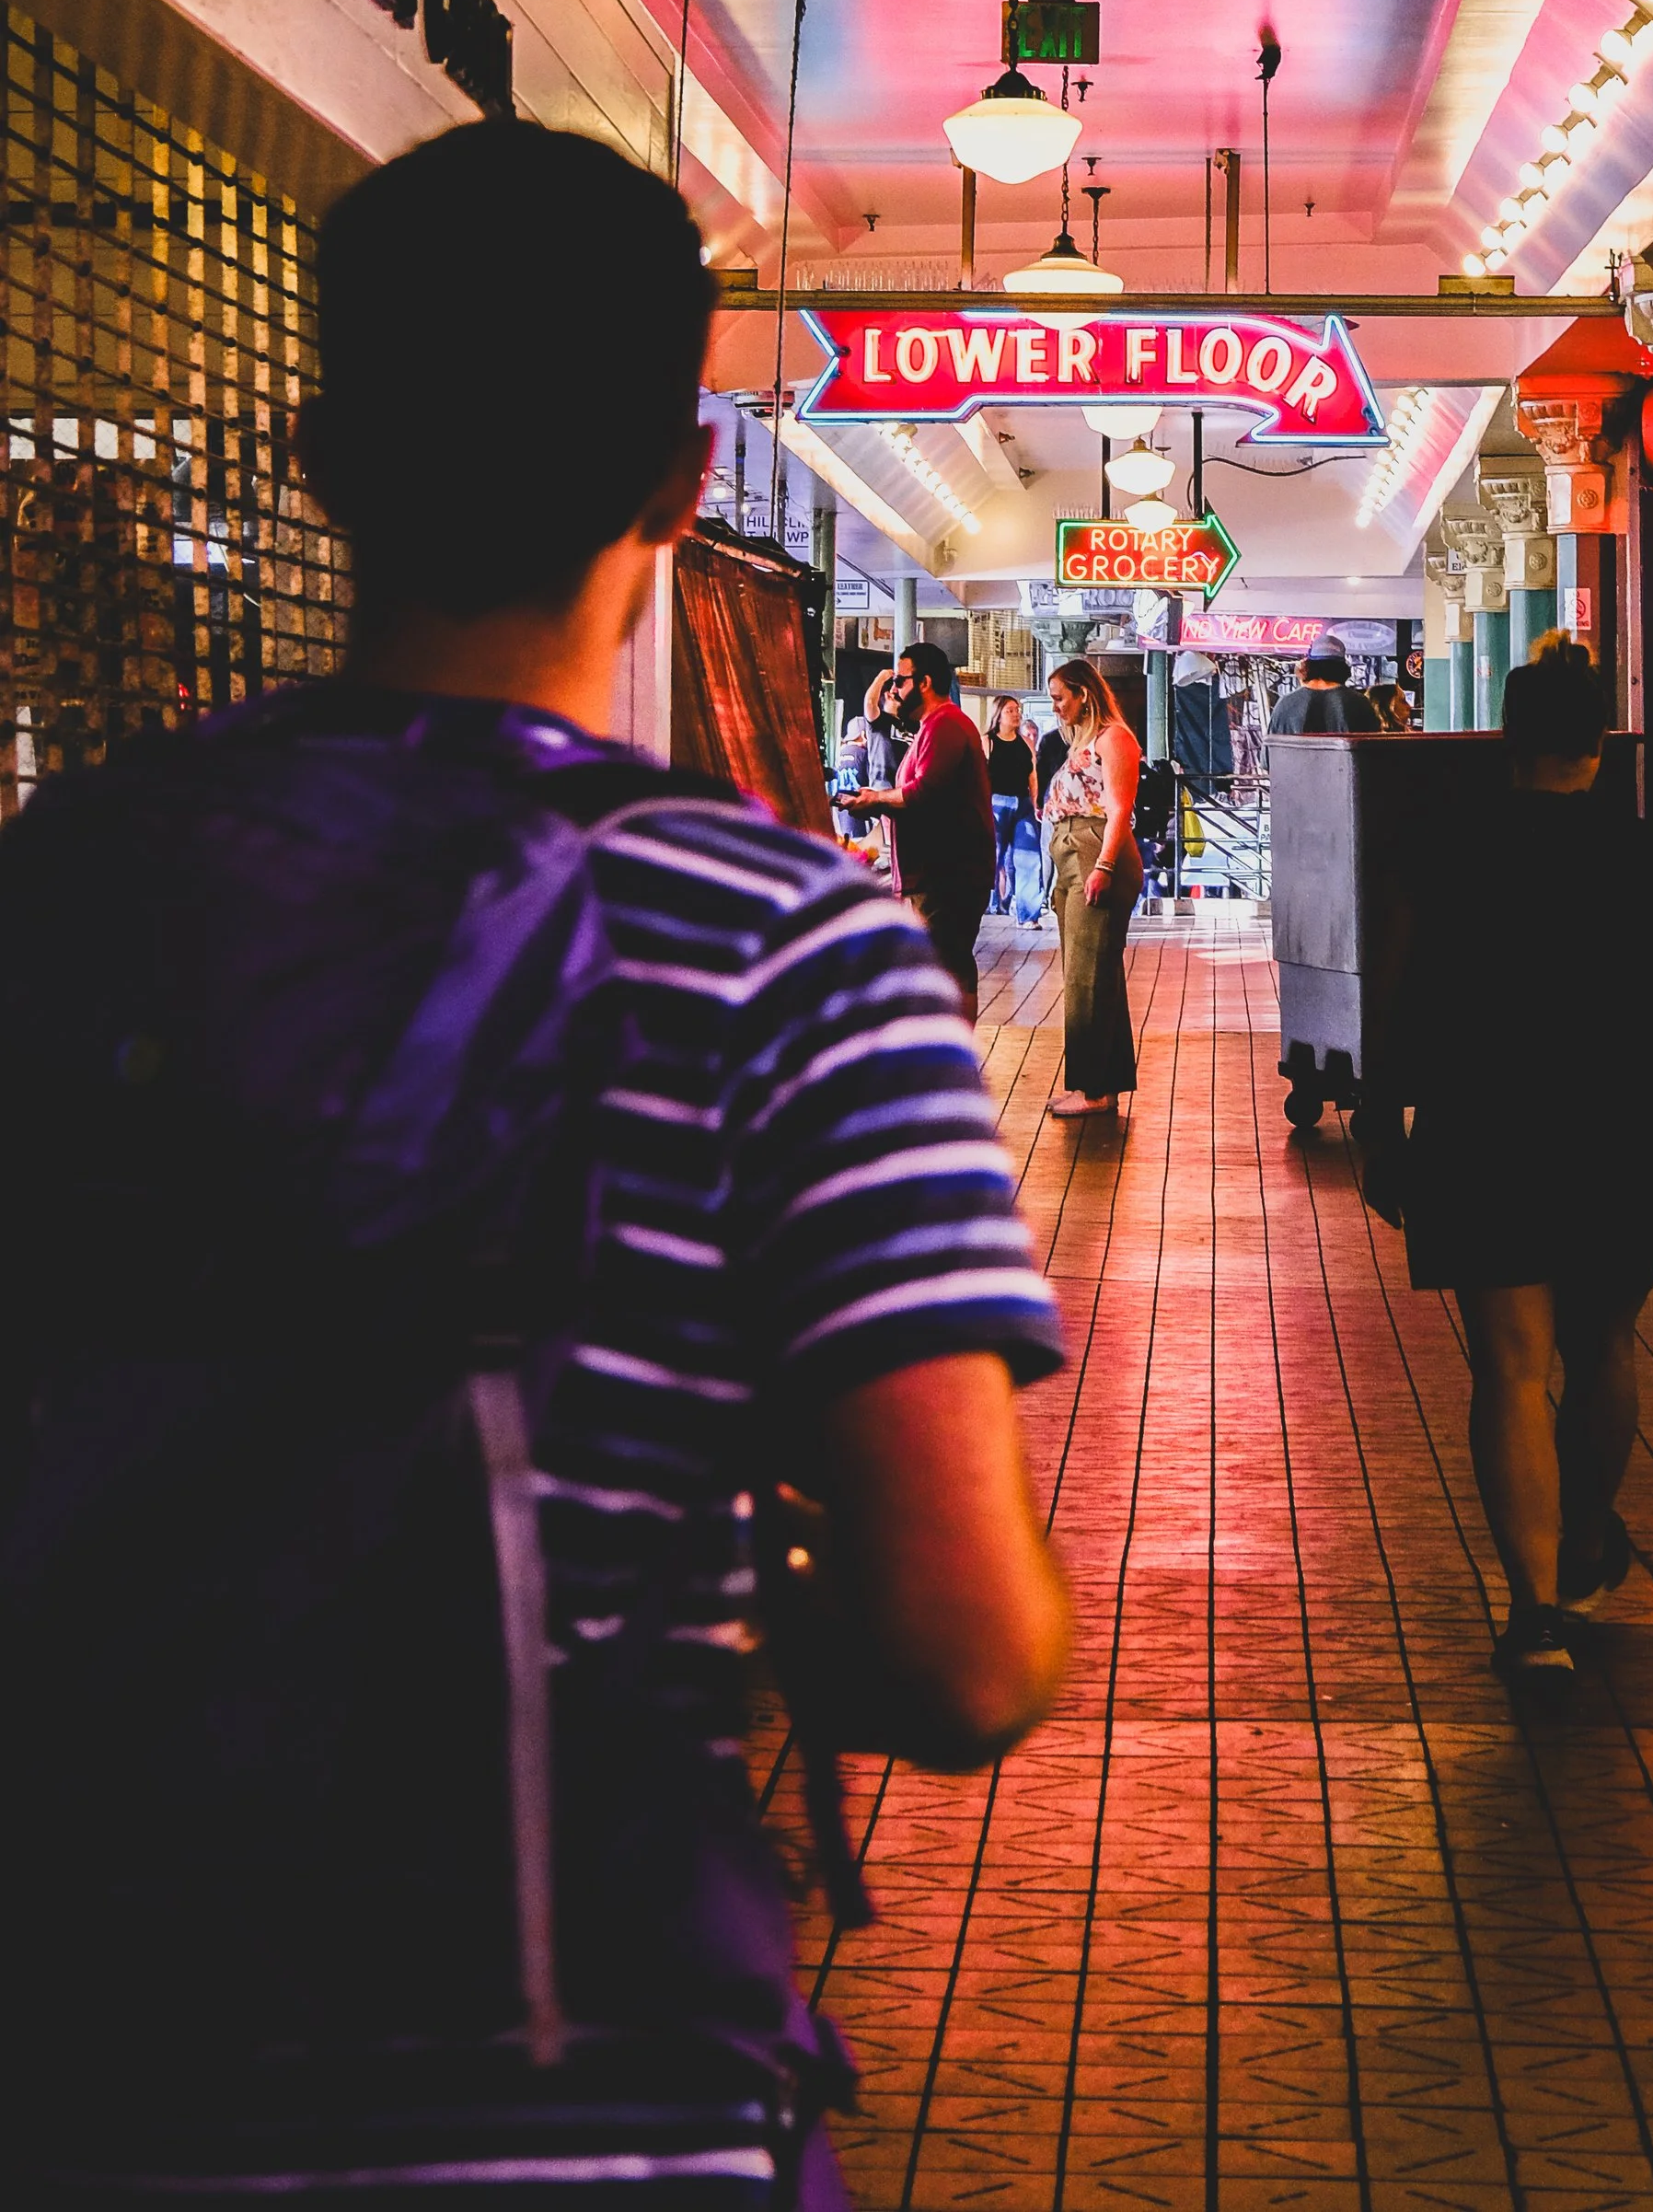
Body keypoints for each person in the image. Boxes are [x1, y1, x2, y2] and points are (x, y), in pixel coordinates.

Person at [0, 121, 1069, 2208]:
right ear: (680, 485)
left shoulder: (67, 889)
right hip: (592, 2074)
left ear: (316, 456)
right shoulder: (788, 945)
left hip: (100, 2062)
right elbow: (969, 1649)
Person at [1358, 643, 1653, 1682]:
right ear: (1597, 742)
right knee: (1605, 1344)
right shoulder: (1641, 854)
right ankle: (1587, 1538)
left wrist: (1376, 1122)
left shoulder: (1441, 845)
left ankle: (1534, 1612)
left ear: (1506, 736)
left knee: (1508, 1365)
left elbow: (1392, 996)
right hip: (1616, 1132)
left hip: (1479, 1124)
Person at [835, 642, 997, 1022]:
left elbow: (925, 791)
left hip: (949, 871)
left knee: (947, 964)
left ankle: (954, 1055)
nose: (894, 690)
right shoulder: (931, 726)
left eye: (900, 681)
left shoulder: (946, 725)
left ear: (924, 683)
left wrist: (876, 800)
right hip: (936, 869)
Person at [1041, 654, 1142, 1117]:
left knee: (1088, 978)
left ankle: (1094, 1090)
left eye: (1061, 697)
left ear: (1084, 694)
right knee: (1091, 975)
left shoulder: (1114, 738)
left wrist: (1103, 865)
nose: (1055, 706)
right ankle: (1100, 1082)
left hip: (1094, 848)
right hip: (1072, 853)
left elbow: (1119, 808)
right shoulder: (1082, 740)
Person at [988, 694, 1045, 924]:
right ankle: (990, 905)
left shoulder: (1026, 743)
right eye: (1010, 710)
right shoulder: (988, 741)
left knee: (1029, 858)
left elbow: (1032, 775)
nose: (1016, 714)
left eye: (1017, 709)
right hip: (996, 803)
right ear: (998, 714)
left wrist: (1034, 802)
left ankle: (1029, 914)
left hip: (1022, 804)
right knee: (994, 857)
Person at [1270, 635, 1381, 735]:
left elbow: (1268, 754)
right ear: (1343, 668)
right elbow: (1372, 754)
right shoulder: (1359, 704)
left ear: (1308, 665)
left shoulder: (1285, 705)